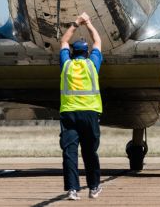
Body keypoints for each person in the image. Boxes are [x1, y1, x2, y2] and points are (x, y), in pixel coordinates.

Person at [59, 12, 103, 200]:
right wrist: (89, 24)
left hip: (69, 114)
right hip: (90, 113)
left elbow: (63, 42)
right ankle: (93, 188)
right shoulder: (92, 64)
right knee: (89, 152)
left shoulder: (66, 65)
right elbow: (98, 42)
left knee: (70, 152)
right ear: (86, 52)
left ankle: (73, 190)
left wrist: (76, 23)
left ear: (72, 52)